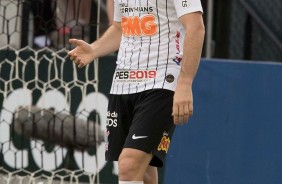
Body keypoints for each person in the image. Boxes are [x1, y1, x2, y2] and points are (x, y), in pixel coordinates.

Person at [68, 0, 205, 183]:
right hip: (123, 83)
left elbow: (196, 27)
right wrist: (94, 49)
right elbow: (119, 27)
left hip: (161, 82)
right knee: (144, 171)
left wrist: (185, 83)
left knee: (128, 165)